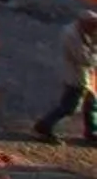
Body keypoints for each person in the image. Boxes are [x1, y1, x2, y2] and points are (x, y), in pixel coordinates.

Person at [36, 9, 97, 142]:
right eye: (93, 26)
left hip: (87, 75)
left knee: (92, 103)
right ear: (84, 23)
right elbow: (84, 59)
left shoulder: (85, 30)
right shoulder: (72, 36)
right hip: (76, 76)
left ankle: (92, 131)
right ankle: (44, 126)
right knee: (70, 106)